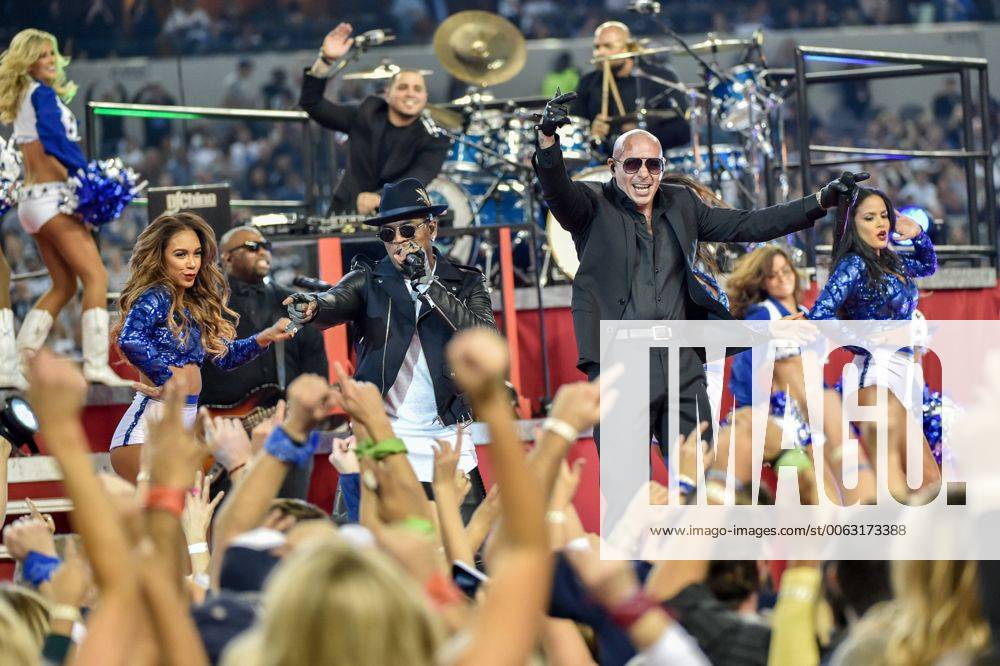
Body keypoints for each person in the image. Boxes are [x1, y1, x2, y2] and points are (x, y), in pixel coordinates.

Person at [533, 92, 861, 451]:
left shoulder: (681, 203)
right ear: (613, 167)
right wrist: (548, 143)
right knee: (624, 484)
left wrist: (819, 202)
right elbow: (557, 191)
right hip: (620, 363)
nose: (643, 174)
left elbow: (748, 224)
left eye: (652, 165)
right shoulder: (591, 205)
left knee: (697, 479)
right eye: (632, 165)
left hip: (682, 360)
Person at [284, 177, 493, 518]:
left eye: (407, 231)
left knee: (465, 558)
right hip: (383, 432)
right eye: (388, 234)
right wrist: (313, 308)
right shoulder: (369, 281)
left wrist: (430, 286)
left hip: (446, 435)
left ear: (432, 229)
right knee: (371, 553)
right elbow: (334, 301)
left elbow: (486, 339)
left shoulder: (465, 282)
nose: (398, 242)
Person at [109, 212, 294, 482]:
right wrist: (165, 378)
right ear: (160, 258)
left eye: (196, 254)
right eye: (181, 255)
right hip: (145, 433)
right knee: (170, 518)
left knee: (192, 516)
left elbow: (225, 357)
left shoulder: (191, 305)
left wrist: (264, 337)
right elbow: (130, 338)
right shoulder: (158, 295)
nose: (192, 263)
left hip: (180, 429)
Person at [0, 28, 131, 386]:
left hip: (31, 204)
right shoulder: (40, 94)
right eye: (42, 54)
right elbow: (55, 139)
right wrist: (86, 174)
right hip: (52, 197)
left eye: (53, 53)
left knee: (63, 284)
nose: (51, 60)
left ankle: (20, 359)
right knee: (96, 277)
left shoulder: (24, 96)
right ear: (27, 60)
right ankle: (95, 365)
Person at [808, 186, 941, 493]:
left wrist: (918, 233)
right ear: (851, 224)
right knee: (921, 480)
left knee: (920, 485)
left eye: (884, 216)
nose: (881, 224)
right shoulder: (854, 265)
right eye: (870, 217)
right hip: (878, 371)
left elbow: (928, 264)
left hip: (908, 373)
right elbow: (820, 316)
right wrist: (873, 340)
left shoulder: (891, 261)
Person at [200, 225, 328, 500]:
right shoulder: (207, 307)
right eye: (251, 246)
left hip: (286, 432)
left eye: (266, 245)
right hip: (224, 435)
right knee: (230, 521)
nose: (262, 251)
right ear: (227, 258)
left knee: (288, 515)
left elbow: (316, 371)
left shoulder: (295, 306)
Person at [299, 22, 449, 216]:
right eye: (403, 87)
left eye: (417, 89)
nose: (410, 94)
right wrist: (325, 60)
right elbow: (312, 103)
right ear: (388, 93)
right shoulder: (366, 114)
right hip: (346, 213)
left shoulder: (434, 139)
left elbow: (417, 178)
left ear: (425, 97)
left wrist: (379, 199)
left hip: (396, 223)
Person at [570, 21, 690, 155]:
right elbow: (574, 129)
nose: (600, 53)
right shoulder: (588, 82)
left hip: (651, 164)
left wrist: (642, 135)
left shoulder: (658, 78)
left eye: (608, 46)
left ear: (628, 48)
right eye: (597, 47)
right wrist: (590, 134)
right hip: (604, 165)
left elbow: (683, 131)